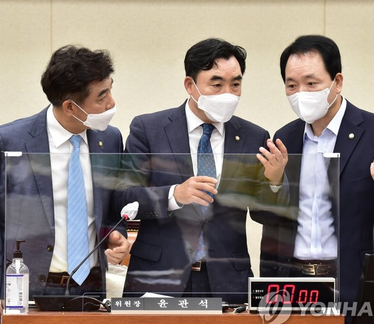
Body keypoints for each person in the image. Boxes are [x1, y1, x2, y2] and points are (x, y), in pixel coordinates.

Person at [260, 35, 374, 324]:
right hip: (292, 288)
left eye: (311, 83)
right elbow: (269, 217)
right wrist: (272, 185)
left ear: (337, 82)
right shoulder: (285, 138)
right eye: (291, 85)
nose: (300, 93)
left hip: (356, 289)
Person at [0, 45, 129, 324]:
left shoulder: (110, 139)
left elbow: (112, 210)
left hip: (92, 292)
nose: (111, 103)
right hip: (25, 292)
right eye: (102, 96)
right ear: (70, 106)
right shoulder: (7, 141)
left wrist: (118, 236)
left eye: (110, 90)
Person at [116, 38, 287, 304]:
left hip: (228, 279)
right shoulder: (149, 129)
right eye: (216, 84)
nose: (228, 93)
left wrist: (274, 182)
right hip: (159, 276)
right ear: (190, 85)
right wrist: (175, 195)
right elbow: (124, 197)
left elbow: (264, 214)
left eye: (236, 84)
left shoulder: (254, 136)